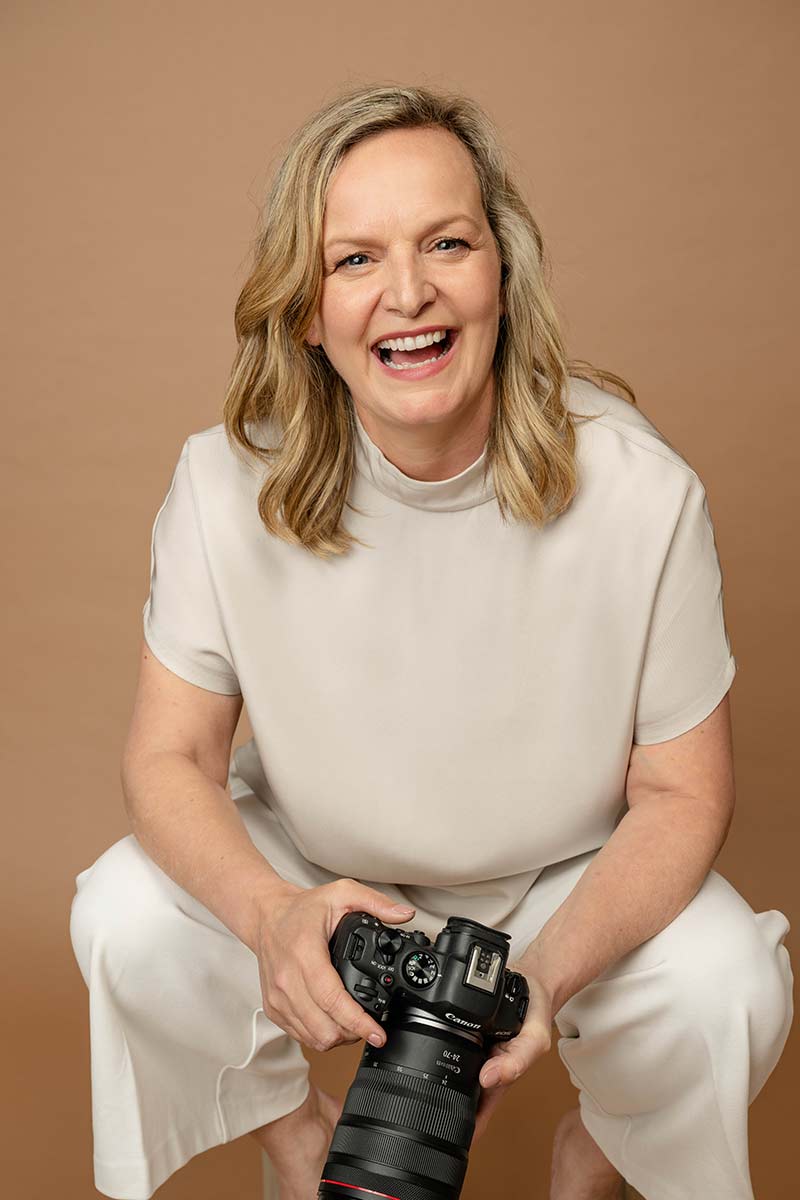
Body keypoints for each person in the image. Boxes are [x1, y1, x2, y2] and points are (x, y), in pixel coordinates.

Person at [69, 83, 793, 1200]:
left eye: (445, 243)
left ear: (501, 271)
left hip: (564, 877)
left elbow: (684, 795)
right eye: (352, 259)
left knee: (729, 982)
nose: (406, 293)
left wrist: (542, 981)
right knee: (119, 912)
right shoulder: (221, 481)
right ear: (304, 308)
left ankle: (597, 1158)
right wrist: (270, 917)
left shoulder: (643, 492)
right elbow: (167, 760)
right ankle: (295, 1135)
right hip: (318, 871)